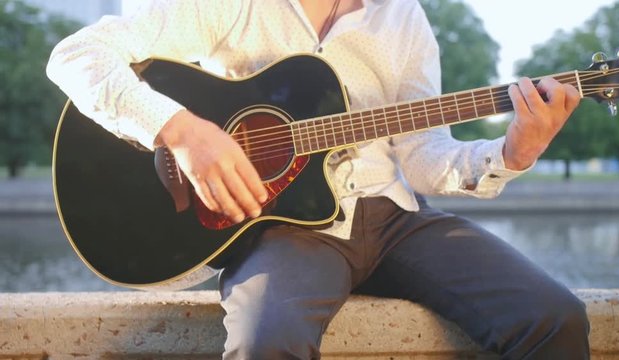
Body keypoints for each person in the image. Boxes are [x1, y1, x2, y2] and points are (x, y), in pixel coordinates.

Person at [47, 0, 590, 358]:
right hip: (286, 226)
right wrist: (181, 131)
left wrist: (512, 151)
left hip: (394, 217)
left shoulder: (403, 19)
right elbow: (74, 56)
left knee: (555, 317)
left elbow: (424, 157)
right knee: (267, 342)